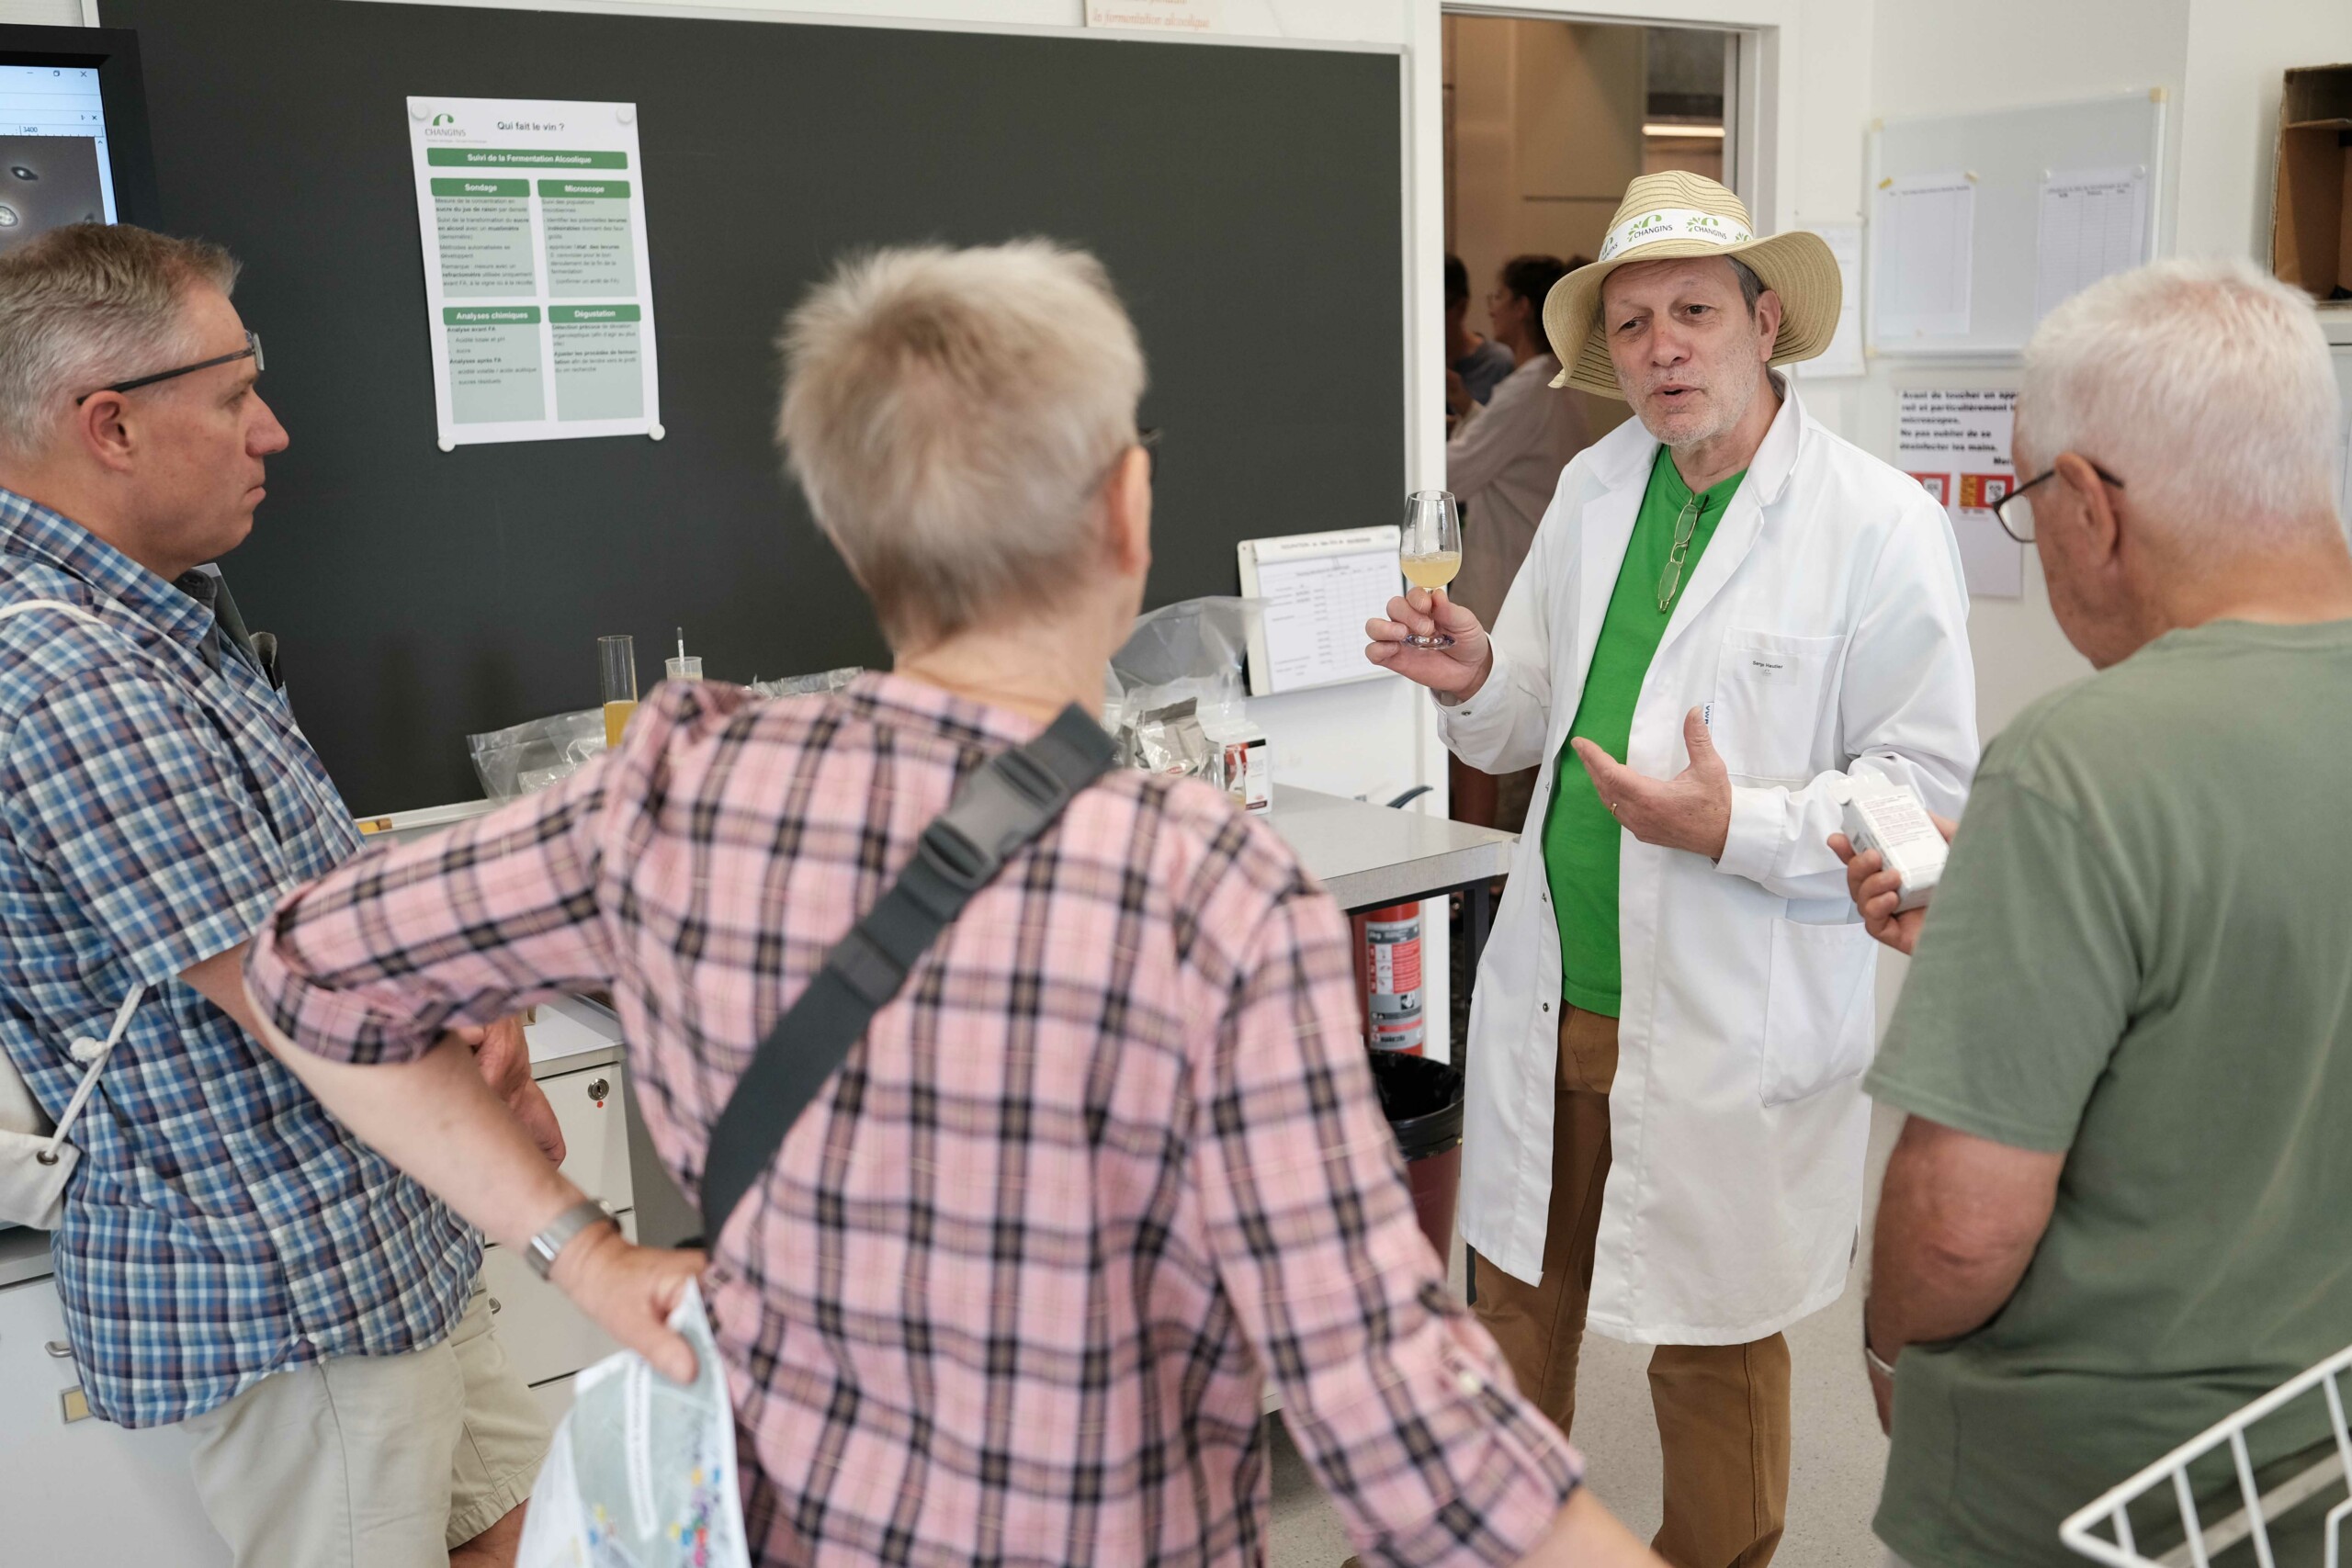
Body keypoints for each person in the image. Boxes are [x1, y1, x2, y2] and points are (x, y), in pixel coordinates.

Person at [240, 240, 1667, 1568]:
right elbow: (1393, 1416)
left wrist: (583, 1250)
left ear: (858, 536)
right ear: (1127, 504)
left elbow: (303, 970)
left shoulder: (666, 793)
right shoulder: (1198, 884)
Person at [1367, 171, 1979, 1568]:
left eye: (1695, 311)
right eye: (1633, 322)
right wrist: (1468, 678)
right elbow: (1525, 706)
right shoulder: (1593, 487)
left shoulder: (1875, 522)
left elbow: (1925, 795)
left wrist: (1738, 823)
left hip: (1724, 1006)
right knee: (1517, 1299)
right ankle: (1499, 1544)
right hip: (1558, 983)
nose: (1662, 348)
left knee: (1716, 1336)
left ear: (1766, 322)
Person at [0, 222, 560, 1566]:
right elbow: (312, 997)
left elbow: (322, 897)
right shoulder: (65, 673)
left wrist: (477, 1001)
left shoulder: (159, 619)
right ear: (111, 426)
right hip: (295, 1286)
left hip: (386, 1242)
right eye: (237, 394)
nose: (274, 432)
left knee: (531, 1537)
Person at [1837, 259, 2352, 1568]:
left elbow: (1961, 1222)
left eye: (2023, 501)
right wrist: (2005, 923)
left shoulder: (2083, 763)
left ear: (2084, 502)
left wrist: (1892, 1345)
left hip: (2111, 1492)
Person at [1447, 254, 1591, 830]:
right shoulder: (1551, 382)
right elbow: (1513, 451)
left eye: (1499, 296)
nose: (1491, 308)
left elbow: (1454, 473)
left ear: (1524, 307)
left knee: (1477, 715)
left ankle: (1476, 873)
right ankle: (1523, 858)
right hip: (1528, 556)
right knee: (1538, 718)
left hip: (1504, 565)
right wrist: (1470, 409)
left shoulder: (1530, 386)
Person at [1449, 251, 1518, 412]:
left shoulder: (1499, 364)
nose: (1492, 312)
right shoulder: (1412, 362)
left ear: (1461, 308)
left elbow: (1507, 432)